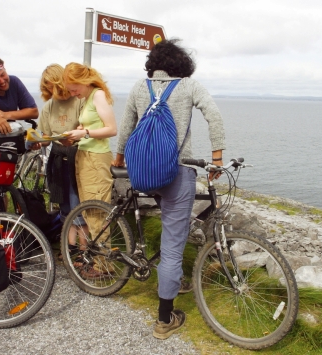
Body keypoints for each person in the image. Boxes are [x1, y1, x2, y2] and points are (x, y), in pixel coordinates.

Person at [113, 39, 226, 340]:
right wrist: (216, 159)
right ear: (182, 64)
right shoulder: (189, 86)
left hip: (146, 173)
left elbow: (126, 126)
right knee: (173, 245)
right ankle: (165, 318)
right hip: (177, 173)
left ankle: (171, 280)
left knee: (170, 235)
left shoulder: (140, 87)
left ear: (154, 63)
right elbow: (214, 115)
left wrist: (118, 159)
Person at [62, 62, 117, 277]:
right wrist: (76, 134)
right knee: (89, 210)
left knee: (97, 212)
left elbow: (111, 129)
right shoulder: (88, 99)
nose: (72, 93)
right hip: (85, 156)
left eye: (73, 88)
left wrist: (84, 133)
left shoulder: (98, 95)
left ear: (83, 81)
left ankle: (105, 266)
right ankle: (98, 260)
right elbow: (93, 128)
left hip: (95, 159)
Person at [36, 64, 86, 252]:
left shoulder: (79, 100)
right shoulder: (49, 106)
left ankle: (83, 249)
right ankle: (69, 248)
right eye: (48, 88)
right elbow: (45, 137)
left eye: (53, 86)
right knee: (64, 204)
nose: (52, 91)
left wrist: (74, 135)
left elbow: (87, 128)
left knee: (78, 204)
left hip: (77, 156)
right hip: (57, 158)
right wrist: (35, 141)